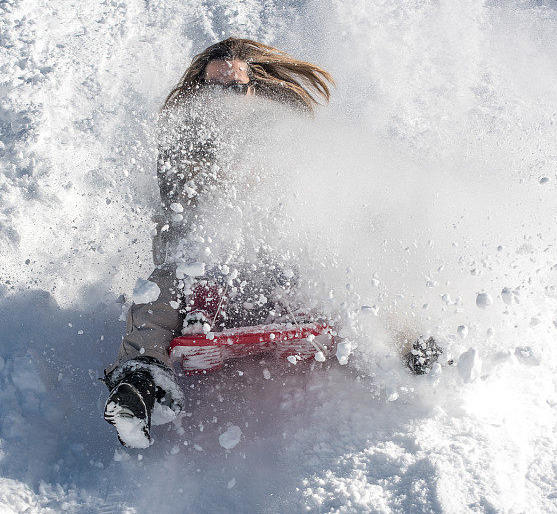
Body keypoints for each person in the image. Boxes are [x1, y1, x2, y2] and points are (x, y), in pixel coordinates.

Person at [103, 38, 441, 449]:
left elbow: (319, 196)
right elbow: (179, 207)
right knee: (160, 289)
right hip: (203, 265)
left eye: (233, 89)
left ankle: (410, 342)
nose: (222, 99)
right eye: (212, 89)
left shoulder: (280, 129)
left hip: (277, 258)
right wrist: (222, 183)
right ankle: (140, 380)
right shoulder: (183, 138)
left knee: (345, 251)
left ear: (252, 90)